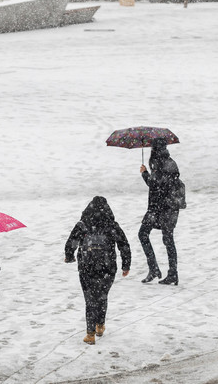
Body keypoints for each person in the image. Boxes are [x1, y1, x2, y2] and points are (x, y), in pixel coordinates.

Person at [65, 196, 131, 345]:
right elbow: (124, 245)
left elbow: (71, 242)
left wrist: (69, 257)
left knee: (90, 300)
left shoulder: (82, 225)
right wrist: (126, 265)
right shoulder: (112, 225)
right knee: (102, 296)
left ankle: (90, 334)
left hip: (86, 268)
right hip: (107, 268)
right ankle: (100, 325)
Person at [139, 137, 182, 285]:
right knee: (168, 239)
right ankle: (172, 273)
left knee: (143, 234)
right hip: (171, 208)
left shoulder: (159, 163)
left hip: (158, 208)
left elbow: (154, 184)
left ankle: (154, 268)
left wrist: (145, 173)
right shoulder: (171, 162)